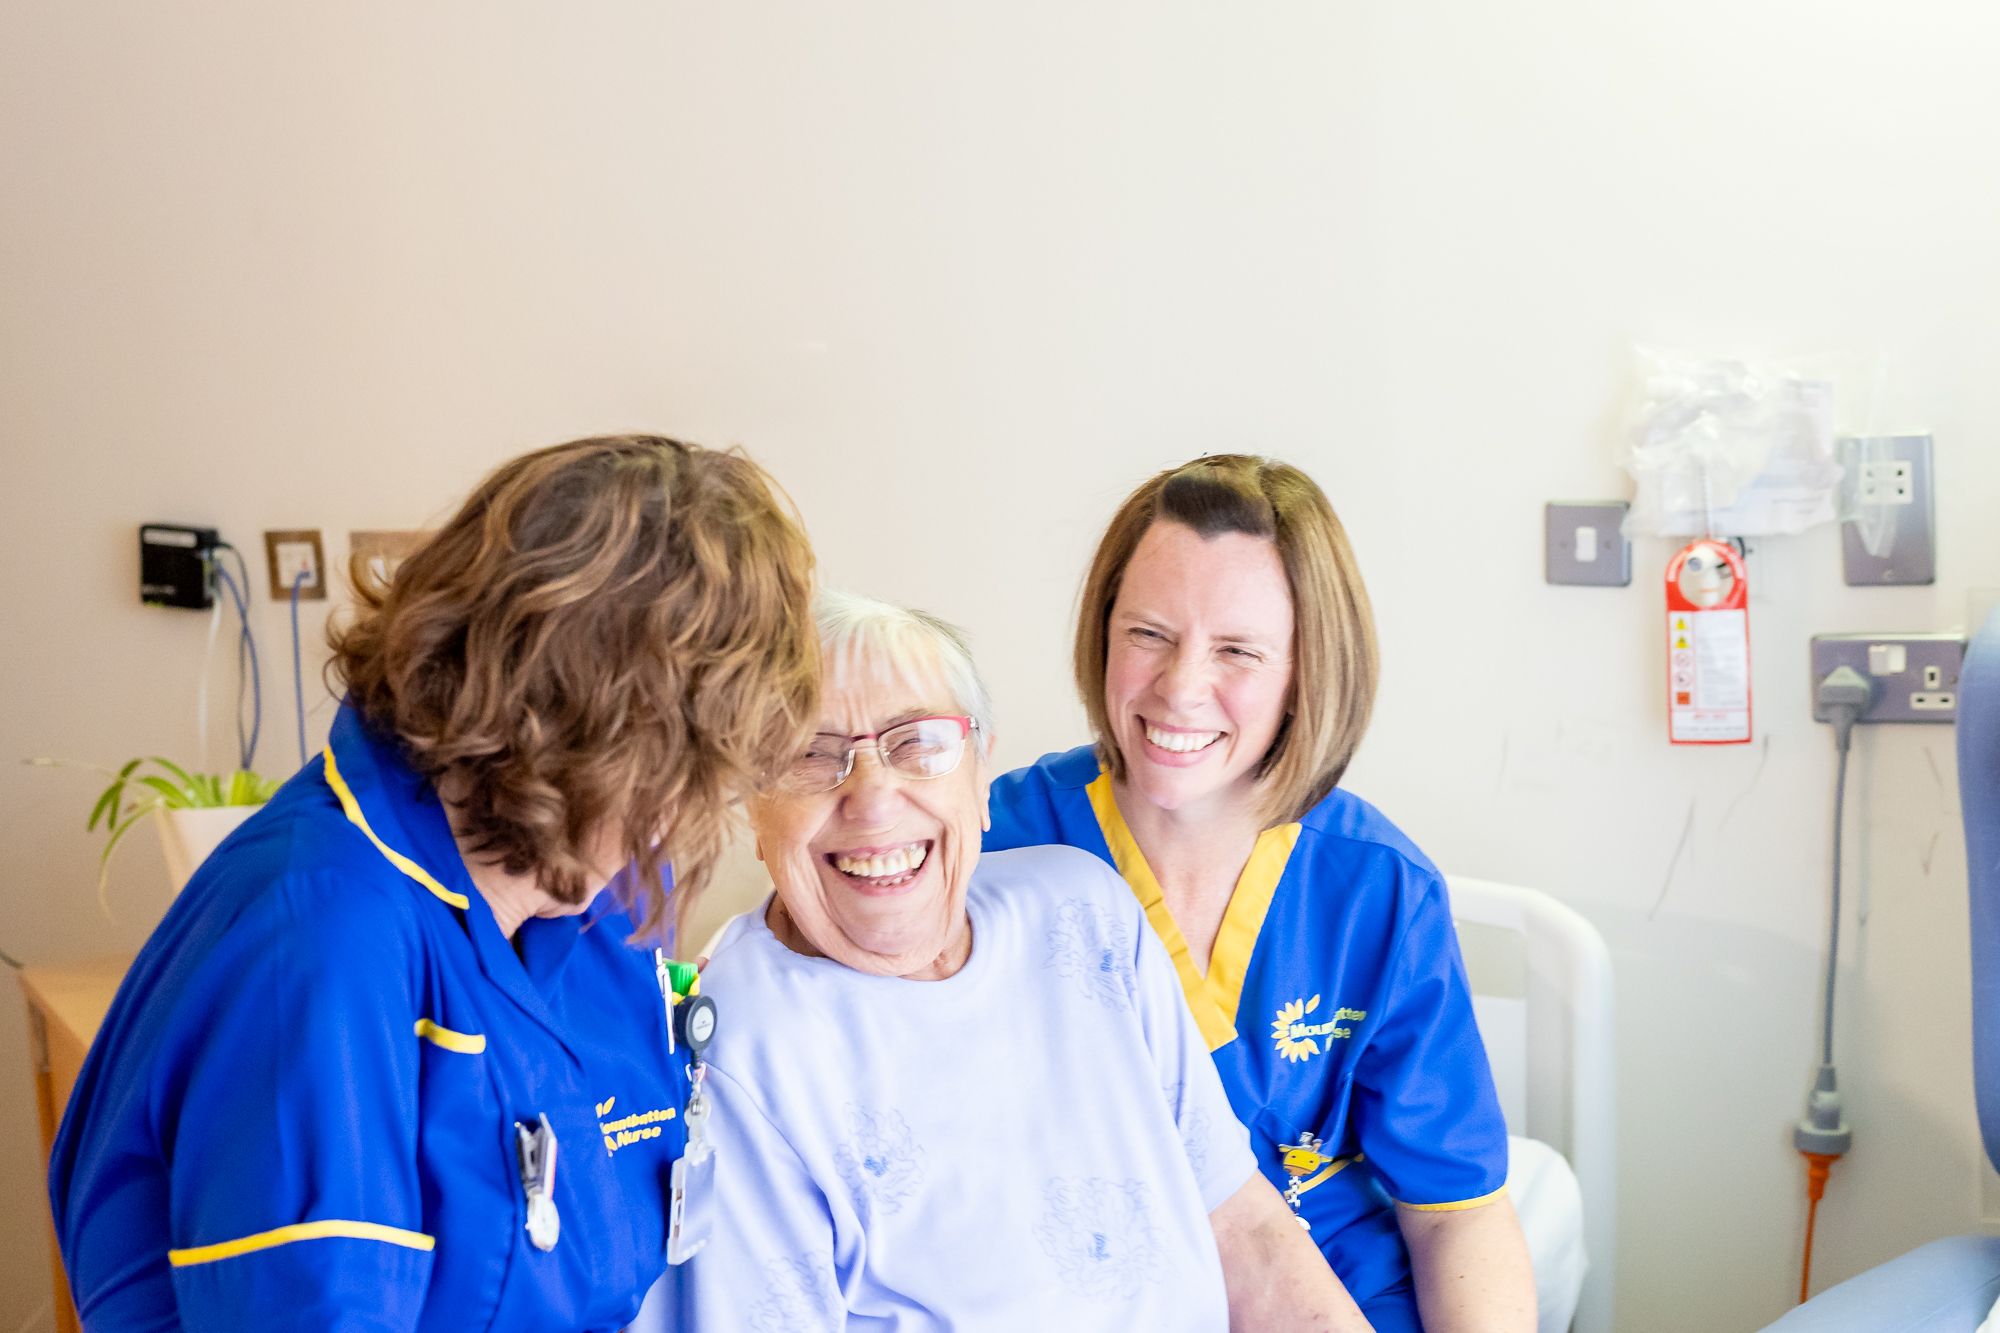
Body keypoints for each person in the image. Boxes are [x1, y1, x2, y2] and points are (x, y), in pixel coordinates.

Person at [48, 435, 819, 1331]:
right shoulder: (324, 941)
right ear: (586, 723)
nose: (689, 816)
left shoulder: (582, 897)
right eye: (684, 769)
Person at [652, 591, 1366, 1332]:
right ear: (752, 806)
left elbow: (1242, 1228)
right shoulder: (736, 1044)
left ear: (981, 774)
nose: (871, 798)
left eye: (919, 743)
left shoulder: (1085, 912)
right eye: (809, 754)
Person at [984, 454, 1539, 1333]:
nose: (1180, 687)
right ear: (1102, 633)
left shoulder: (1375, 889)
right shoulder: (995, 846)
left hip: (1342, 1288)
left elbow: (1455, 1207)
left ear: (1304, 672)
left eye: (1237, 650)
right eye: (1149, 634)